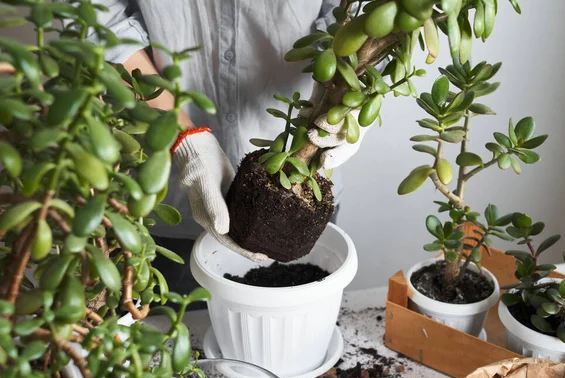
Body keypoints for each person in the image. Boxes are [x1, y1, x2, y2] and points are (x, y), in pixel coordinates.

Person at [90, 0, 370, 307]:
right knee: (179, 328)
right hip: (168, 193)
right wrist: (183, 137)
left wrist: (349, 98)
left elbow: (359, 15)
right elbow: (99, 19)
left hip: (308, 187)